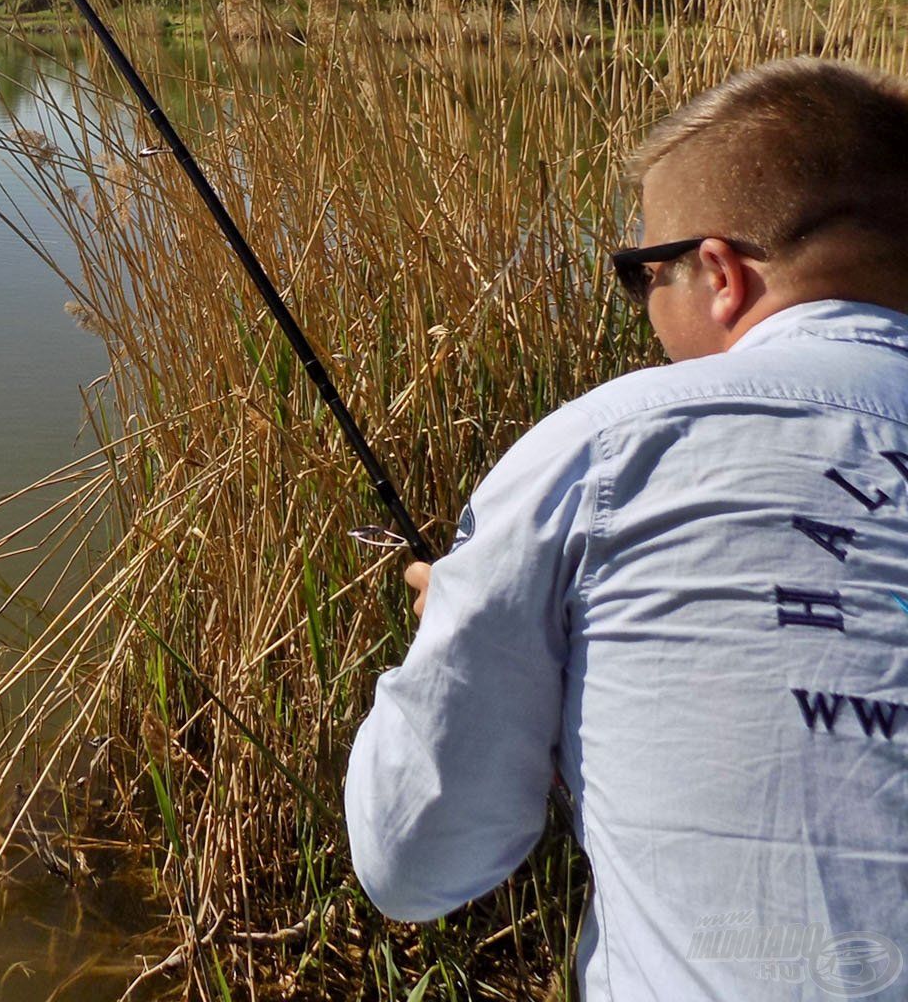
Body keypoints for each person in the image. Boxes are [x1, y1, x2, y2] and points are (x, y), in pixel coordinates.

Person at [344, 57, 908, 1000]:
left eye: (640, 272)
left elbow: (414, 863)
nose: (641, 303)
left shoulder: (605, 446)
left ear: (721, 273)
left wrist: (471, 628)